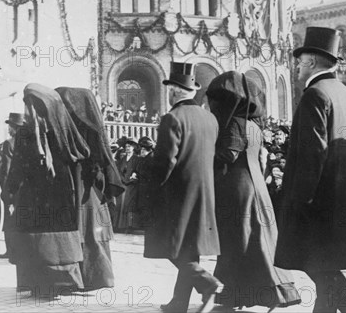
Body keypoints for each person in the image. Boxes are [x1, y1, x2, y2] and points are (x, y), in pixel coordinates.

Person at [274, 27, 346, 313]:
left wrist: (298, 201)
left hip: (318, 206)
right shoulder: (345, 94)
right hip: (343, 202)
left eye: (299, 61)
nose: (296, 66)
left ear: (310, 62)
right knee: (324, 278)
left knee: (321, 271)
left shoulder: (315, 95)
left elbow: (312, 154)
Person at [206, 71, 301, 310]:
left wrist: (203, 153)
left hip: (237, 186)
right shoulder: (253, 124)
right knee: (258, 239)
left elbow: (229, 153)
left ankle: (239, 293)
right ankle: (263, 292)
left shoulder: (234, 122)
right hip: (255, 184)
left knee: (238, 239)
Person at [144, 62, 223, 313]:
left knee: (171, 246)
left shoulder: (172, 118)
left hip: (177, 194)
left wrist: (152, 188)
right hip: (204, 192)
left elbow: (166, 161)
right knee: (191, 248)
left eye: (169, 88)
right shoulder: (210, 118)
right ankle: (179, 302)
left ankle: (206, 282)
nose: (168, 93)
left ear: (175, 91)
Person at [6, 83, 90, 296]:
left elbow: (81, 154)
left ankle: (57, 284)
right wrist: (10, 189)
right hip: (46, 193)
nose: (29, 111)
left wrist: (9, 190)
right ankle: (47, 284)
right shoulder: (58, 128)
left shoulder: (53, 129)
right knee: (41, 238)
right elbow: (18, 165)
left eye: (32, 106)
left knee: (52, 238)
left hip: (53, 193)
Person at [56, 86, 126, 290]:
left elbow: (97, 162)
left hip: (87, 189)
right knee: (86, 232)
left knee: (90, 232)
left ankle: (93, 279)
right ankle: (84, 279)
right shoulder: (78, 127)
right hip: (81, 187)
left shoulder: (88, 130)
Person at [0, 112, 25, 259]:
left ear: (15, 127)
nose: (9, 129)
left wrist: (6, 191)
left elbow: (6, 169)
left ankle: (11, 250)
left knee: (9, 219)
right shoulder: (29, 142)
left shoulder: (9, 143)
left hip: (13, 186)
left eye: (10, 126)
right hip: (25, 187)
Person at [116, 137, 140, 232]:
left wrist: (133, 177)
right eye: (126, 146)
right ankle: (120, 226)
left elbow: (138, 170)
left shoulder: (137, 159)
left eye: (129, 146)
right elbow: (119, 171)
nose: (127, 148)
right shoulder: (122, 159)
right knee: (121, 204)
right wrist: (122, 179)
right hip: (123, 184)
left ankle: (130, 226)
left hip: (132, 185)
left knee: (130, 205)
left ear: (133, 147)